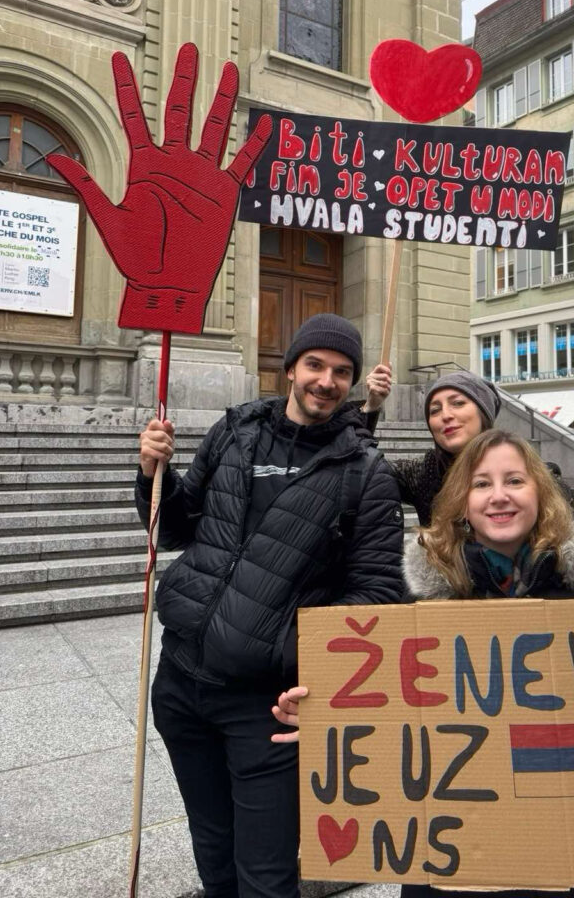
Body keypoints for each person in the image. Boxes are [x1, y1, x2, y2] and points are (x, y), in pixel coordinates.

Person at [273, 429, 574, 898]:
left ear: (541, 495)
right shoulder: (418, 603)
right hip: (454, 860)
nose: (498, 496)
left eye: (515, 481)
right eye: (482, 484)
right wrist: (331, 721)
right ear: (462, 503)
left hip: (570, 859)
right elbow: (393, 718)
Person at [137, 312, 404, 898]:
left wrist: (311, 673)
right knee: (212, 848)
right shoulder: (233, 431)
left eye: (341, 372)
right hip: (180, 682)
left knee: (266, 875)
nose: (326, 381)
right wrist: (154, 473)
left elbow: (377, 592)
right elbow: (177, 528)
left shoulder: (365, 473)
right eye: (315, 365)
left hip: (268, 707)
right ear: (290, 369)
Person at [364, 365, 574, 528]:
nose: (446, 415)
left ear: (483, 413)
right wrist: (370, 408)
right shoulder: (423, 473)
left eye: (458, 403)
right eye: (434, 410)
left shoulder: (532, 474)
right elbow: (358, 464)